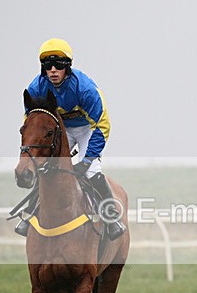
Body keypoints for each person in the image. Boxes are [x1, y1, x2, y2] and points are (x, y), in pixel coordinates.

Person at [14, 38, 125, 240]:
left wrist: (88, 159)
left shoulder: (85, 89)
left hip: (87, 129)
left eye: (59, 65)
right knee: (45, 167)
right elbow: (31, 122)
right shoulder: (36, 88)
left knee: (91, 171)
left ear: (68, 67)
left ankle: (112, 218)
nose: (53, 70)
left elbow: (102, 125)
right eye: (48, 66)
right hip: (58, 129)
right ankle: (29, 214)